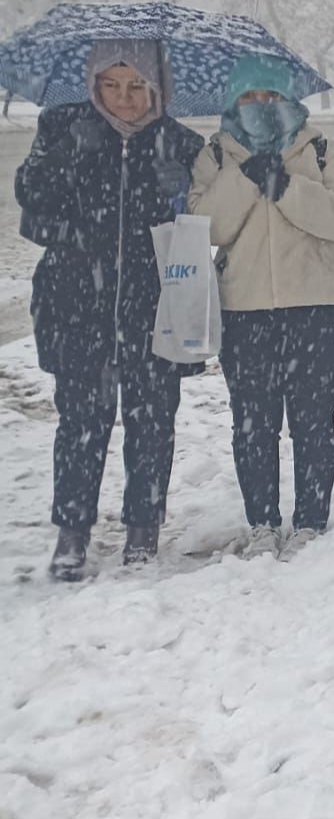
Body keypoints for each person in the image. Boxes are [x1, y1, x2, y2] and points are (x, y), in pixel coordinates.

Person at [17, 40, 203, 579]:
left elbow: (205, 226)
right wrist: (85, 232)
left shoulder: (181, 142)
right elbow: (33, 218)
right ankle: (72, 531)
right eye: (110, 86)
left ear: (158, 87)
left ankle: (143, 529)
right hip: (77, 304)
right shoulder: (62, 129)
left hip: (155, 306)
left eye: (137, 87)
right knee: (80, 423)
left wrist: (186, 193)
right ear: (92, 83)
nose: (124, 99)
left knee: (151, 424)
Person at [190, 53, 334, 558]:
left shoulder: (321, 151)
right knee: (253, 424)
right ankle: (262, 523)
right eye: (250, 96)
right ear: (234, 102)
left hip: (318, 309)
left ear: (289, 100)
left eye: (271, 96)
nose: (261, 106)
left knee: (313, 421)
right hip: (244, 314)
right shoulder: (217, 157)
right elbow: (207, 226)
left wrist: (287, 186)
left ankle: (310, 520)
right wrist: (247, 177)